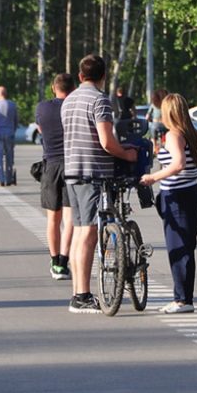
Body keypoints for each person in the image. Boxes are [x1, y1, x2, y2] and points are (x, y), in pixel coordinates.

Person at [61, 55, 138, 313]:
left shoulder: (68, 100)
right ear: (103, 76)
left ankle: (76, 292)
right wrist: (127, 154)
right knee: (89, 233)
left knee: (79, 231)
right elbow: (106, 141)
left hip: (72, 171)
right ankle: (82, 296)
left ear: (81, 76)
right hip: (92, 172)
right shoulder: (99, 100)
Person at [141, 93, 197, 314]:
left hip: (177, 196)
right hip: (191, 193)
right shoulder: (191, 134)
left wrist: (153, 178)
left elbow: (177, 164)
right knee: (187, 247)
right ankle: (184, 296)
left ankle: (183, 300)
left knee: (178, 248)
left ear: (168, 113)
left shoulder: (174, 135)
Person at [36, 73, 77, 281]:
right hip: (72, 163)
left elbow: (41, 129)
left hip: (51, 164)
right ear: (74, 88)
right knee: (69, 217)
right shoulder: (75, 107)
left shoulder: (42, 108)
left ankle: (54, 261)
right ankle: (63, 261)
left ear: (54, 88)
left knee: (53, 218)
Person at [0, 86, 18, 186]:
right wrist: (13, 130)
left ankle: (1, 178)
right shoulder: (12, 105)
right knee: (9, 156)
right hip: (9, 133)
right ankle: (9, 178)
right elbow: (16, 120)